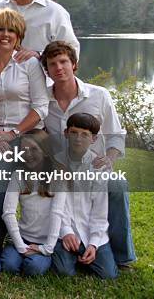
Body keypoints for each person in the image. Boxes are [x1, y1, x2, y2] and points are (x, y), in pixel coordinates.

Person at [42, 41, 136, 268]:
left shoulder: (99, 95)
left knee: (118, 186)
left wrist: (110, 158)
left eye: (64, 61)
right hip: (61, 169)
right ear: (47, 70)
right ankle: (62, 242)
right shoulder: (43, 100)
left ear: (74, 64)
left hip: (95, 169)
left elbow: (116, 135)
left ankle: (122, 255)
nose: (59, 68)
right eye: (52, 64)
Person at [0, 8, 49, 254]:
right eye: (0, 29)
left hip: (29, 135)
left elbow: (41, 107)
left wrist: (13, 133)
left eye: (11, 30)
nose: (5, 35)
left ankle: (41, 239)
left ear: (19, 36)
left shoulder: (29, 64)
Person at [52, 113, 118, 279]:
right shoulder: (55, 163)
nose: (78, 139)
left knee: (108, 274)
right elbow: (56, 205)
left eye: (85, 134)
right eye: (73, 133)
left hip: (91, 232)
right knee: (64, 271)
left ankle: (89, 253)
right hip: (65, 231)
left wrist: (94, 243)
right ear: (66, 133)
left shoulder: (99, 167)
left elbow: (100, 213)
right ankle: (70, 256)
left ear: (94, 139)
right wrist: (66, 231)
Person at [0, 130, 65, 276]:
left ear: (46, 151)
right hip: (22, 237)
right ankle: (19, 254)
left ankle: (40, 258)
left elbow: (57, 213)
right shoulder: (18, 175)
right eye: (24, 150)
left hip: (45, 241)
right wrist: (21, 246)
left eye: (34, 149)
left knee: (34, 269)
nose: (28, 154)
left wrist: (46, 248)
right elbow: (8, 212)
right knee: (8, 266)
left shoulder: (58, 177)